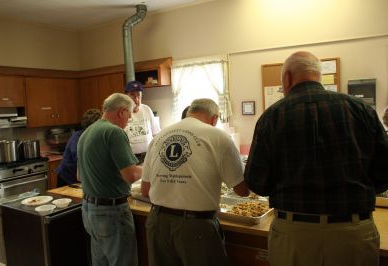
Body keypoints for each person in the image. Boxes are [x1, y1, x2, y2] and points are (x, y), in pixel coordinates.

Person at [244, 51, 388, 266]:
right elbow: (385, 172)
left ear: (287, 79)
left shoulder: (271, 117)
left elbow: (257, 182)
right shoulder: (362, 110)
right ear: (318, 75)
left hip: (294, 233)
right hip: (353, 230)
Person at [141, 98, 249, 266]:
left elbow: (145, 190)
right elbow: (242, 190)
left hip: (157, 222)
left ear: (190, 112)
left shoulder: (159, 136)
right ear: (215, 118)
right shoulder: (219, 137)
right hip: (195, 227)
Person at [77, 93, 142, 266]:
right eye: (128, 116)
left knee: (101, 262)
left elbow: (79, 176)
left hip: (89, 210)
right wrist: (150, 169)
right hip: (111, 213)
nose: (128, 122)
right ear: (121, 112)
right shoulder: (114, 132)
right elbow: (132, 175)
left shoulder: (87, 132)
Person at [56, 109, 101, 187]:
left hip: (79, 178)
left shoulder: (95, 136)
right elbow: (79, 157)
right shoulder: (78, 137)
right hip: (67, 178)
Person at [124, 80, 161, 164]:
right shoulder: (122, 112)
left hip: (148, 156)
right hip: (130, 158)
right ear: (126, 96)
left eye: (138, 95)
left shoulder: (147, 109)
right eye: (132, 95)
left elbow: (156, 134)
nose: (136, 99)